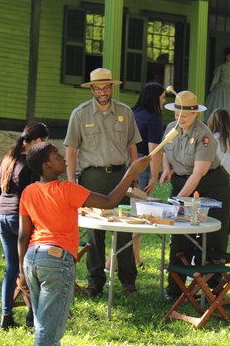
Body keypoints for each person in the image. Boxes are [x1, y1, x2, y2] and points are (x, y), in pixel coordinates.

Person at [17, 142, 149, 345]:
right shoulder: (67, 189)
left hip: (32, 259)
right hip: (55, 261)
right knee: (47, 331)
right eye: (56, 155)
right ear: (46, 165)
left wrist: (22, 272)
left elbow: (23, 236)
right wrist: (132, 171)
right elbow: (109, 201)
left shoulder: (28, 192)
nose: (63, 157)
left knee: (43, 323)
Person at [64, 68, 142, 296]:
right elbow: (71, 149)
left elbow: (132, 146)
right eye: (97, 88)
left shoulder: (125, 112)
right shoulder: (80, 114)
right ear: (92, 90)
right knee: (95, 231)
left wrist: (134, 174)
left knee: (126, 227)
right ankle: (95, 281)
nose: (102, 92)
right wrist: (71, 182)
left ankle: (128, 280)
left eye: (106, 87)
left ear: (112, 88)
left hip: (121, 176)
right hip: (92, 177)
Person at [159, 90, 230, 301]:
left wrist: (177, 200)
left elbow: (199, 172)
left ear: (195, 115)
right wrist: (166, 169)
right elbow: (166, 150)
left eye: (185, 115)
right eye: (177, 113)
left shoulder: (205, 136)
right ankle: (175, 290)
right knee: (180, 235)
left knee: (213, 237)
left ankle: (211, 290)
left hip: (211, 184)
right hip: (182, 181)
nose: (180, 118)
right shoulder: (171, 129)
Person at [0, 121, 49, 330]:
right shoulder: (33, 162)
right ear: (35, 141)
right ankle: (32, 315)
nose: (45, 146)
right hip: (20, 219)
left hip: (3, 217)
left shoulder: (8, 158)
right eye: (43, 142)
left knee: (11, 269)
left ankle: (6, 316)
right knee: (30, 268)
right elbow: (35, 196)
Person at [130, 82, 166, 268]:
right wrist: (154, 176)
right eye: (162, 97)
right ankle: (119, 260)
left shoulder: (133, 113)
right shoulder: (153, 118)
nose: (164, 101)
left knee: (130, 213)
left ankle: (134, 257)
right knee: (139, 214)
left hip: (127, 164)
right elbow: (155, 151)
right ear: (155, 98)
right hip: (142, 165)